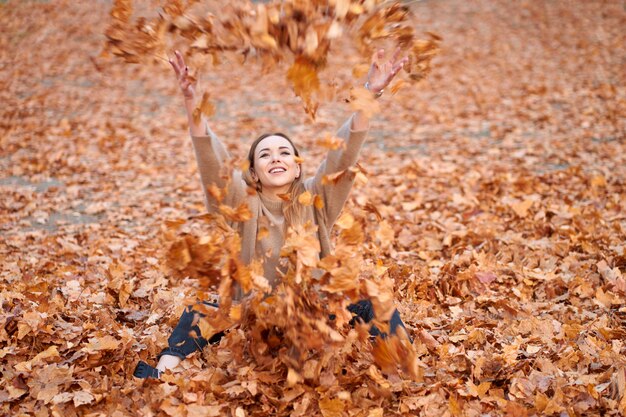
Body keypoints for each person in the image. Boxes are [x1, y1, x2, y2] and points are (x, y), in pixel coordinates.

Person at [134, 49, 410, 379]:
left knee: (374, 302)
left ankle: (405, 373)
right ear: (253, 173)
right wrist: (192, 103)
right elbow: (215, 168)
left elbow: (343, 157)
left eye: (284, 153)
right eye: (264, 155)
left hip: (315, 319)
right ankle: (162, 373)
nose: (275, 158)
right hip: (254, 320)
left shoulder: (315, 196)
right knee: (198, 313)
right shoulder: (243, 204)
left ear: (297, 168)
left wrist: (371, 91)